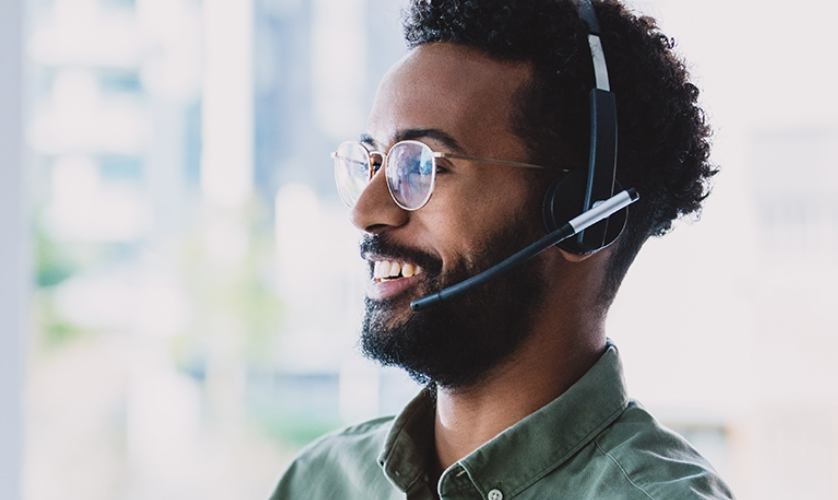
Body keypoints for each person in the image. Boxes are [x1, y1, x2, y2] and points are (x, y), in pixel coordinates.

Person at [268, 0, 733, 498]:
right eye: (375, 163)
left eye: (423, 167)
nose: (366, 211)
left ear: (585, 216)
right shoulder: (320, 481)